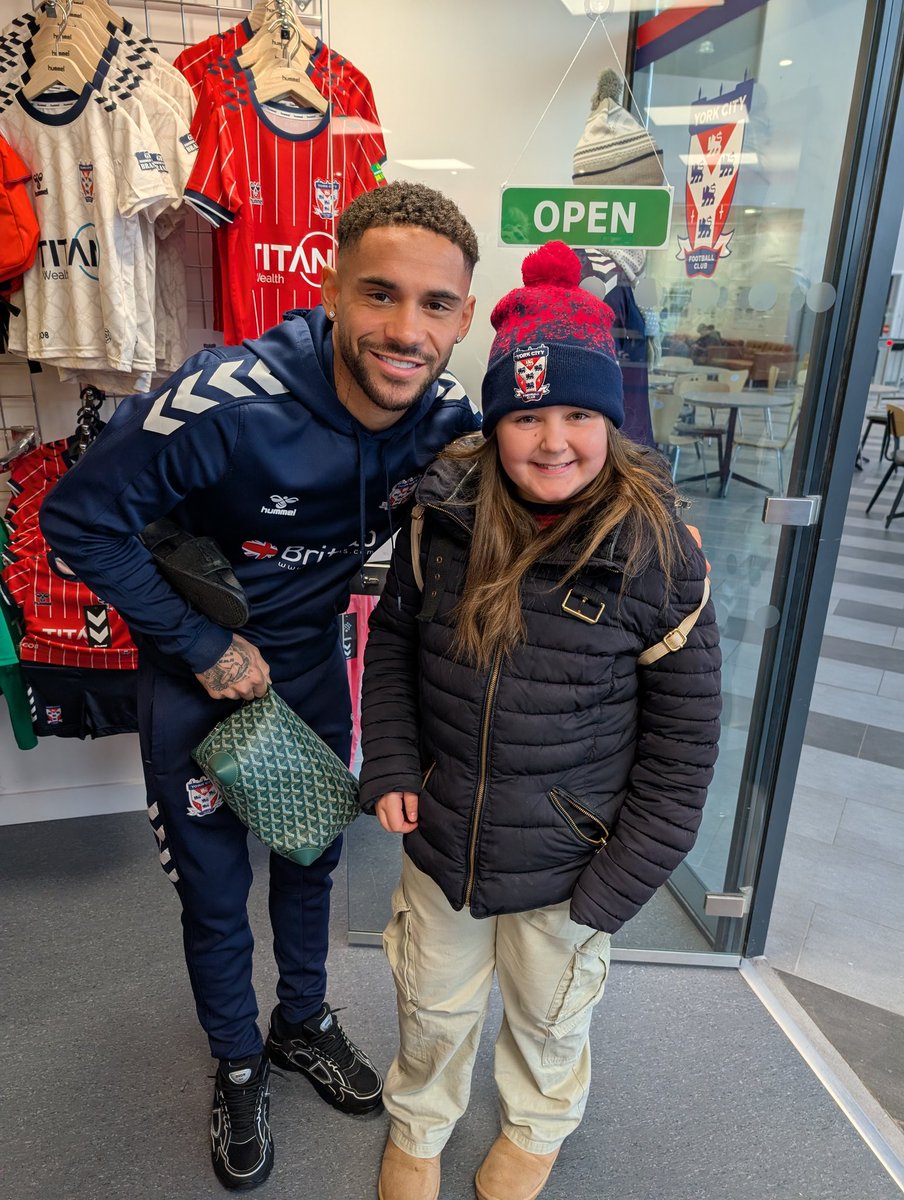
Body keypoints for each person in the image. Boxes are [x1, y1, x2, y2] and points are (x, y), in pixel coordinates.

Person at [39, 181, 481, 1192]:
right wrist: (198, 643)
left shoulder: (448, 415)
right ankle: (237, 1060)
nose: (405, 330)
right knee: (214, 894)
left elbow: (560, 451)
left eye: (436, 305)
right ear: (330, 286)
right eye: (380, 295)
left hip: (312, 672)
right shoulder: (225, 399)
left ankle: (303, 1024)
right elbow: (76, 520)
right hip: (200, 679)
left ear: (463, 315)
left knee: (313, 861)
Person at [358, 240, 721, 1200]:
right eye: (524, 415)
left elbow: (683, 754)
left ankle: (536, 1126)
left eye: (577, 414)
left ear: (611, 420)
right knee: (430, 1003)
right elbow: (392, 645)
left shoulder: (659, 555)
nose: (551, 439)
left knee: (551, 1015)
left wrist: (613, 888)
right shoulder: (439, 519)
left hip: (575, 861)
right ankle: (420, 1124)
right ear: (494, 424)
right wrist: (392, 764)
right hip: (441, 831)